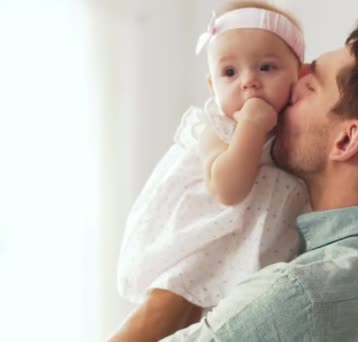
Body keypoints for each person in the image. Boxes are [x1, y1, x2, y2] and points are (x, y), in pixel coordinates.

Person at [162, 13, 358, 342]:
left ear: (345, 141)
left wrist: (171, 297)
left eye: (309, 87)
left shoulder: (294, 297)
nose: (289, 87)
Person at [110, 1, 309, 341]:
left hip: (245, 259)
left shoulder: (298, 128)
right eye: (229, 73)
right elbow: (228, 189)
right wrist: (250, 127)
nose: (248, 82)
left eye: (266, 67)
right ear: (212, 85)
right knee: (161, 314)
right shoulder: (217, 128)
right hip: (202, 241)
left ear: (300, 74)